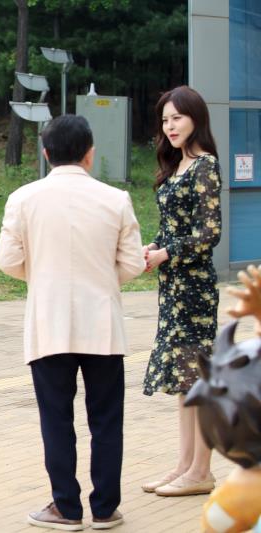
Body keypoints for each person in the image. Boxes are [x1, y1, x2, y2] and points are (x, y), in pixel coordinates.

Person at [0, 115, 145, 531]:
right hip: (103, 325)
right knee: (106, 419)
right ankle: (105, 507)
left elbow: (6, 260)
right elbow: (132, 263)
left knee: (56, 418)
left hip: (49, 324)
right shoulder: (115, 200)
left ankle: (66, 507)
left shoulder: (24, 198)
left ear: (45, 154)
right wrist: (99, 278)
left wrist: (43, 276)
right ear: (90, 154)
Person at [141, 85, 223, 497]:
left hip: (195, 289)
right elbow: (175, 228)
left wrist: (168, 254)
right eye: (165, 119)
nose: (170, 126)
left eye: (177, 117)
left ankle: (202, 471)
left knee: (199, 381)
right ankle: (185, 465)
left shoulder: (205, 165)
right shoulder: (177, 167)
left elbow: (209, 233)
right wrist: (156, 247)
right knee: (184, 380)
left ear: (195, 119)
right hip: (173, 287)